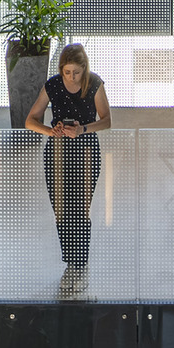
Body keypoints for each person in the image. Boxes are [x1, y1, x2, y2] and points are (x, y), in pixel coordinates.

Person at [25, 43, 112, 296]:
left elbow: (107, 120)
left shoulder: (94, 83)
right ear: (61, 70)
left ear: (84, 69)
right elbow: (31, 120)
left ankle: (80, 264)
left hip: (85, 151)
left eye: (76, 72)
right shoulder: (52, 85)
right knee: (62, 210)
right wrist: (50, 131)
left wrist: (82, 129)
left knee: (80, 208)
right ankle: (70, 264)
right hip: (58, 152)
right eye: (67, 72)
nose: (71, 77)